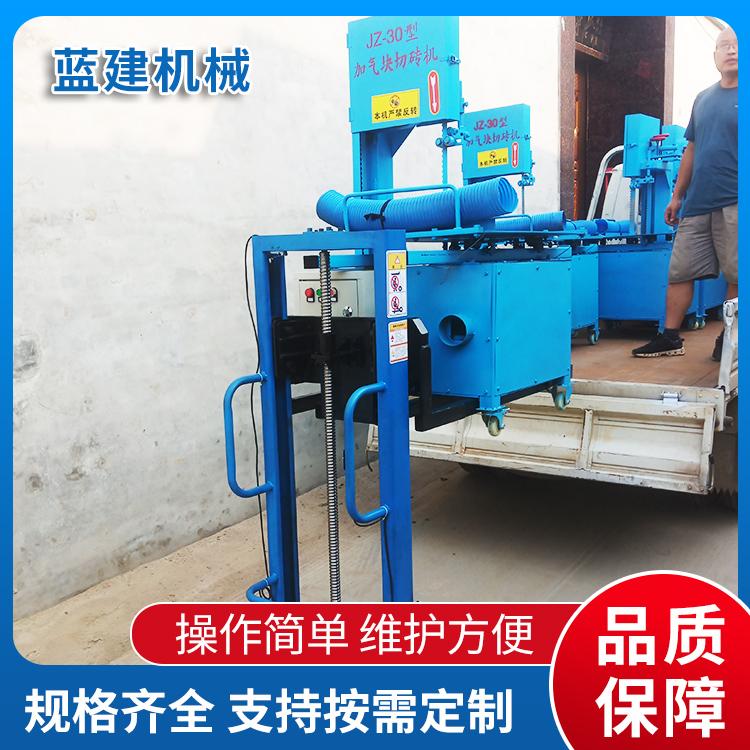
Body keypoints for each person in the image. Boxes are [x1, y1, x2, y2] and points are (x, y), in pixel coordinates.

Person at [633, 26, 738, 359]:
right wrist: (678, 195)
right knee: (680, 271)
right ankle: (670, 337)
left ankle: (731, 339)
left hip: (737, 201)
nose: (731, 50)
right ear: (714, 55)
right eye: (724, 45)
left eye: (737, 44)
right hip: (697, 203)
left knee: (738, 274)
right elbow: (691, 148)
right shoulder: (703, 99)